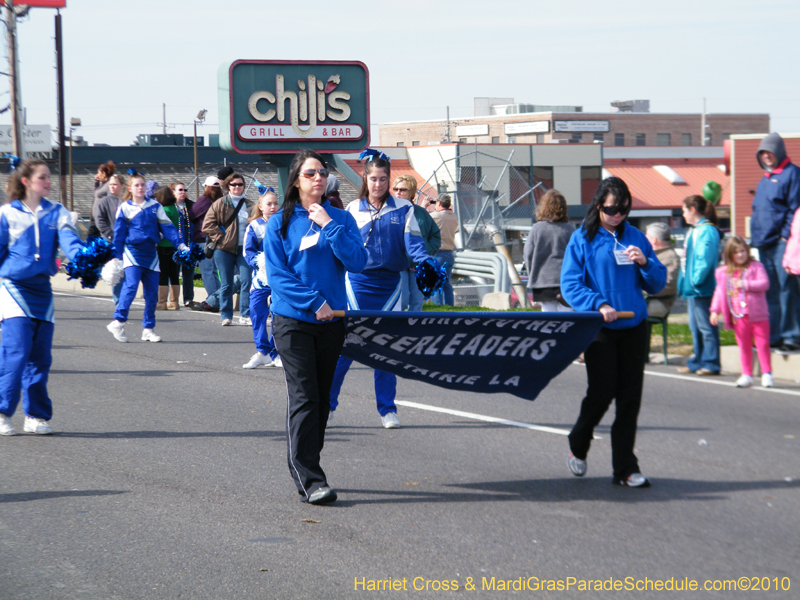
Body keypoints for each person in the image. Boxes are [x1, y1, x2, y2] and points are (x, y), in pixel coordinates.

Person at [264, 149, 367, 504]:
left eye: (322, 172)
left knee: (322, 401)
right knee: (305, 396)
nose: (318, 178)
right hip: (293, 322)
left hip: (332, 323)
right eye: (310, 174)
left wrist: (328, 225)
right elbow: (278, 277)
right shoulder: (278, 223)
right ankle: (309, 476)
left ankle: (309, 463)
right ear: (295, 181)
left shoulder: (339, 218)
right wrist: (315, 302)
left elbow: (358, 261)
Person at [561, 176, 667, 487]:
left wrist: (646, 262)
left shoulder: (636, 237)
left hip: (634, 325)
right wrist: (598, 303)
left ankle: (625, 469)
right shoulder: (582, 238)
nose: (618, 215)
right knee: (601, 393)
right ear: (598, 206)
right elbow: (570, 285)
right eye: (611, 210)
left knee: (630, 398)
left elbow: (657, 283)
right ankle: (578, 442)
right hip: (601, 328)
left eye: (623, 209)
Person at [328, 152, 432, 429]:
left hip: (391, 287)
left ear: (389, 180)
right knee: (346, 348)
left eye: (383, 179)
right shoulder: (351, 209)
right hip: (357, 285)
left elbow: (415, 246)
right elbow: (342, 248)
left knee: (386, 350)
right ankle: (328, 405)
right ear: (365, 178)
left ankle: (387, 409)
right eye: (373, 178)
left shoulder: (404, 208)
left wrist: (426, 264)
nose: (378, 184)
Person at [0, 159, 87, 436]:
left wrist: (91, 263)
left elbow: (71, 244)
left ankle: (35, 415)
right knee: (17, 351)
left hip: (42, 290)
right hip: (13, 287)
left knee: (40, 356)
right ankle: (2, 411)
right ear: (26, 181)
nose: (49, 181)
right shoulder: (7, 214)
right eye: (43, 177)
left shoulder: (58, 212)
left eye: (50, 177)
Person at [106, 173, 186, 344]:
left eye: (142, 185)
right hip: (133, 252)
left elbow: (168, 227)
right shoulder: (124, 208)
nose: (140, 188)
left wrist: (180, 244)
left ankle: (148, 329)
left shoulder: (155, 206)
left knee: (152, 294)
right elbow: (119, 235)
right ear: (130, 189)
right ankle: (118, 322)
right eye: (137, 185)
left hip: (151, 254)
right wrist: (117, 257)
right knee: (131, 286)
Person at [750, 133, 800, 354]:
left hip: (782, 243)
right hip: (763, 243)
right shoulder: (766, 178)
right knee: (770, 291)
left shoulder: (793, 174)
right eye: (763, 153)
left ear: (779, 152)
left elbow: (794, 208)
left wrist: (784, 236)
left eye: (769, 152)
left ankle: (792, 336)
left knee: (787, 290)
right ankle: (775, 335)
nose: (767, 156)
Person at [710, 237, 773, 388]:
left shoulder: (756, 266)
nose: (740, 255)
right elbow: (719, 292)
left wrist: (745, 284)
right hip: (738, 316)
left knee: (762, 344)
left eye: (742, 251)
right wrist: (714, 310)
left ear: (748, 251)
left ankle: (767, 373)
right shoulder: (723, 272)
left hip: (758, 315)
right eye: (736, 252)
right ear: (729, 254)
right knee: (744, 346)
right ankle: (746, 374)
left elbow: (764, 284)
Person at [677, 195, 721, 375]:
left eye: (684, 210)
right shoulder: (694, 230)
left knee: (706, 327)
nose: (683, 215)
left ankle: (711, 363)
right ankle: (698, 361)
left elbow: (705, 258)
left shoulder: (707, 231)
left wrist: (696, 280)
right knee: (695, 327)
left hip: (701, 287)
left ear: (693, 210)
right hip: (692, 288)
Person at [202, 172, 252, 326]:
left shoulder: (250, 204)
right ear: (228, 186)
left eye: (240, 184)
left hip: (244, 249)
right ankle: (226, 315)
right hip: (224, 250)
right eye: (233, 184)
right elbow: (207, 225)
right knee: (226, 283)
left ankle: (245, 314)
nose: (237, 187)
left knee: (246, 280)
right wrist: (222, 239)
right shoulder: (220, 203)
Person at [242, 190, 282, 369]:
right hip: (260, 278)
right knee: (257, 312)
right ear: (260, 207)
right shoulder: (254, 226)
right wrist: (259, 262)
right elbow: (248, 252)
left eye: (275, 203)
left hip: (281, 278)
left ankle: (276, 352)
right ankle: (262, 351)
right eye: (269, 204)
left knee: (278, 316)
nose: (273, 207)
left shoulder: (284, 224)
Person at [393, 174, 440, 311]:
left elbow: (435, 235)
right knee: (402, 301)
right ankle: (398, 329)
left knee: (417, 301)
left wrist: (427, 249)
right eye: (396, 189)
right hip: (398, 264)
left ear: (412, 193)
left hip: (418, 265)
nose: (398, 192)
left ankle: (414, 330)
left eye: (403, 189)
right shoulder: (389, 212)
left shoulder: (421, 213)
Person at [523, 189, 574, 312]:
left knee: (548, 315)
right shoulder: (570, 230)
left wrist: (533, 274)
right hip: (565, 281)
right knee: (567, 315)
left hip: (543, 281)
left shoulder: (536, 229)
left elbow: (528, 254)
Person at [189, 176, 222, 313]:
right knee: (214, 271)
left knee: (207, 272)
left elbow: (192, 215)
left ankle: (213, 301)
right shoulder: (222, 201)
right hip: (218, 239)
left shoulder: (203, 201)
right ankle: (218, 299)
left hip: (203, 239)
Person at [93, 173, 126, 305]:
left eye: (115, 184)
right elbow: (99, 220)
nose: (112, 187)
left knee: (129, 272)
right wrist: (109, 234)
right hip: (112, 243)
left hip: (128, 242)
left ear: (122, 186)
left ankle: (125, 299)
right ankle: (118, 301)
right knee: (116, 272)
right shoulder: (105, 202)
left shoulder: (127, 202)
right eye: (110, 184)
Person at [154, 186, 183, 311]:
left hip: (163, 245)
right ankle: (175, 301)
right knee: (174, 274)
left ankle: (162, 302)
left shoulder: (164, 210)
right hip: (174, 246)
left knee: (163, 274)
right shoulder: (174, 209)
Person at [644, 222, 680, 318]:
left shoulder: (670, 257)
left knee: (625, 309)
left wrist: (640, 290)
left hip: (658, 302)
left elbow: (667, 285)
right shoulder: (655, 255)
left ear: (654, 240)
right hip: (647, 299)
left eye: (646, 237)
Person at [170, 181, 195, 307]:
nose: (183, 192)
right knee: (174, 273)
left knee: (188, 274)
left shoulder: (190, 207)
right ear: (173, 192)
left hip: (189, 244)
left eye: (185, 190)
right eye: (180, 190)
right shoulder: (170, 207)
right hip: (175, 245)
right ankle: (173, 299)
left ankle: (188, 298)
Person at [430, 194, 459, 306]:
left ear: (438, 203)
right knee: (446, 284)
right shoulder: (453, 217)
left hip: (437, 254)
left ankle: (438, 309)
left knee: (436, 283)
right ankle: (449, 308)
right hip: (449, 254)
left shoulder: (436, 216)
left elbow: (421, 220)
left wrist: (425, 205)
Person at [87, 161, 116, 238]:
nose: (97, 175)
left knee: (91, 237)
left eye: (99, 172)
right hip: (95, 216)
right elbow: (96, 193)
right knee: (93, 238)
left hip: (100, 217)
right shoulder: (102, 184)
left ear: (103, 173)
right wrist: (96, 182)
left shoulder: (109, 185)